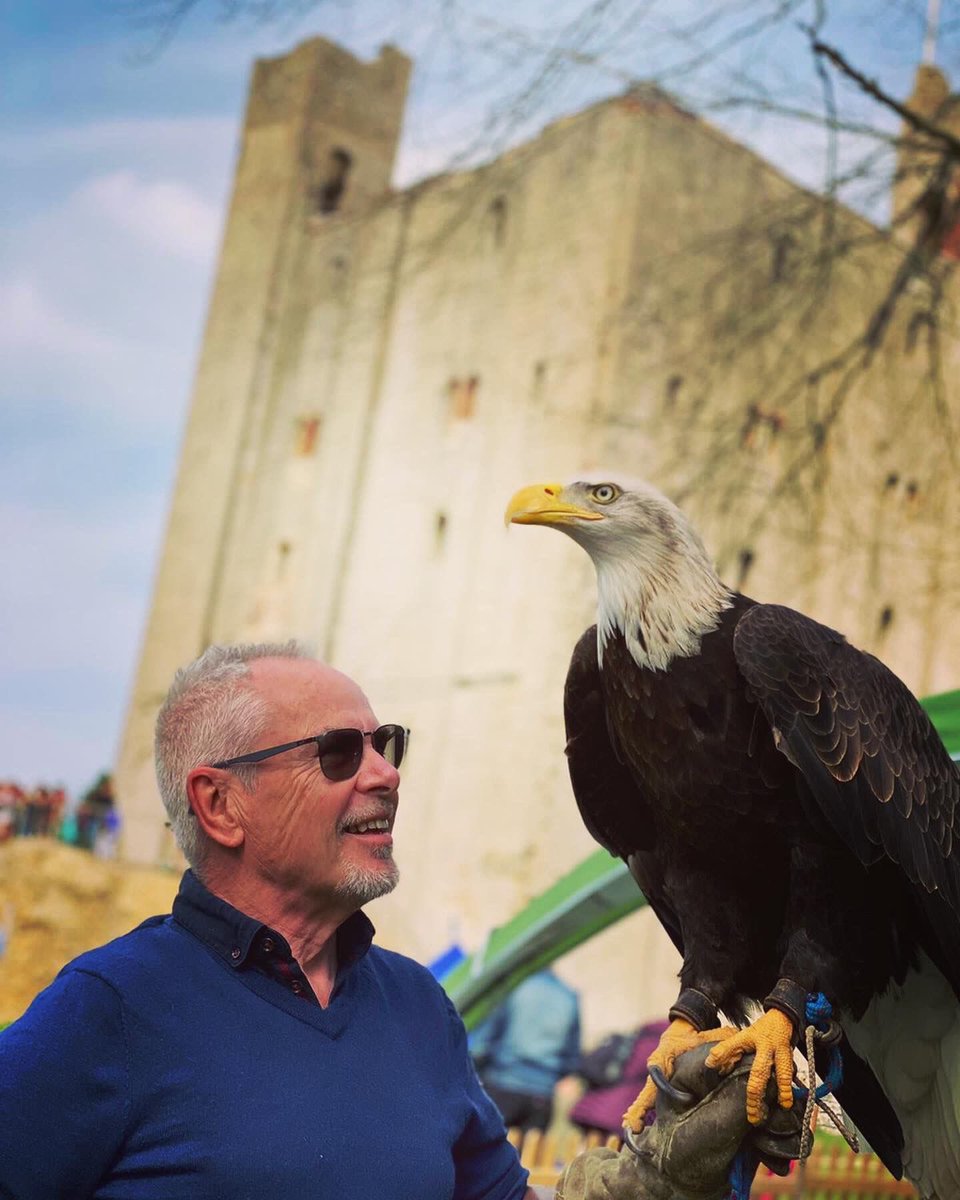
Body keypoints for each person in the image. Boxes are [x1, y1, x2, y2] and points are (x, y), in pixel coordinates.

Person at [0, 641, 537, 1200]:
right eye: (339, 752)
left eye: (386, 744)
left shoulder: (418, 1002)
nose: (386, 775)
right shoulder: (113, 1006)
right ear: (221, 805)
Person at [471, 968, 581, 1132]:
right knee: (528, 1155)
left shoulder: (514, 986)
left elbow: (483, 1042)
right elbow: (572, 1059)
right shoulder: (568, 996)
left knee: (481, 1153)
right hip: (542, 1097)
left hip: (502, 1085)